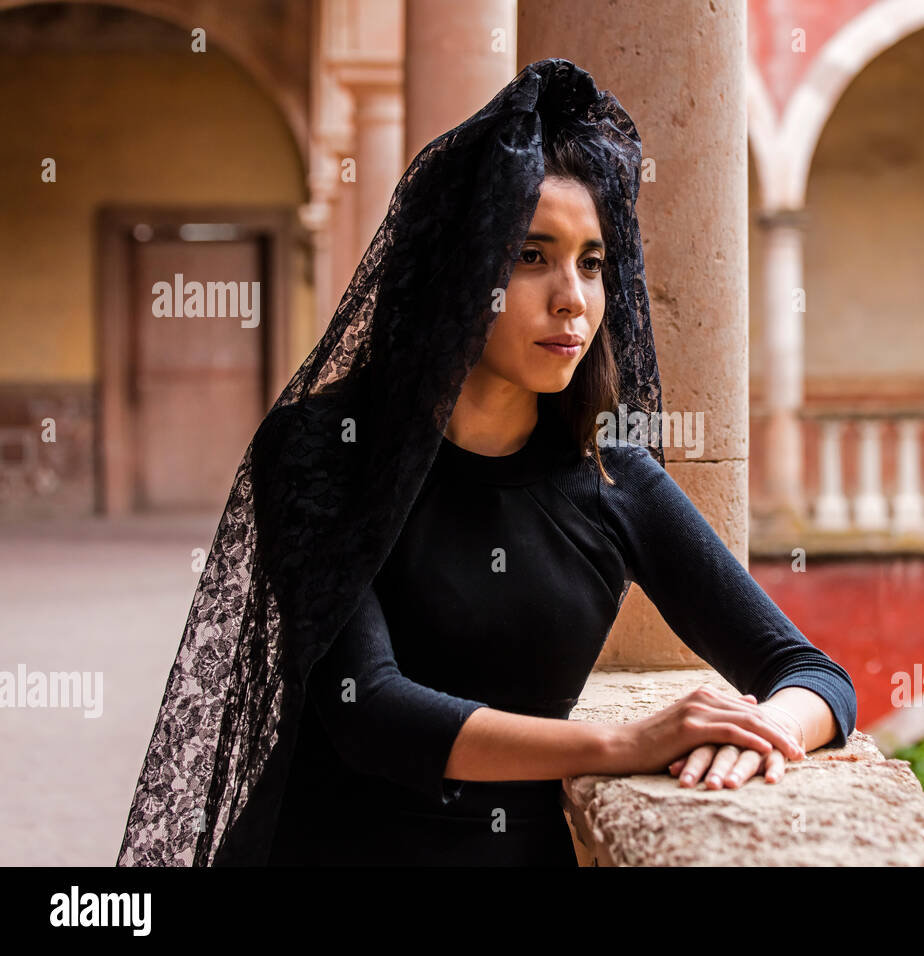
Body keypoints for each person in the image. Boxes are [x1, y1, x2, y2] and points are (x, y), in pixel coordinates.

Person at [116, 58, 856, 868]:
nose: (571, 297)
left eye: (592, 261)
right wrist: (623, 744)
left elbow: (812, 672)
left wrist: (762, 733)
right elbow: (372, 711)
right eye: (531, 256)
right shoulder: (320, 450)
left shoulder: (612, 475)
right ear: (457, 272)